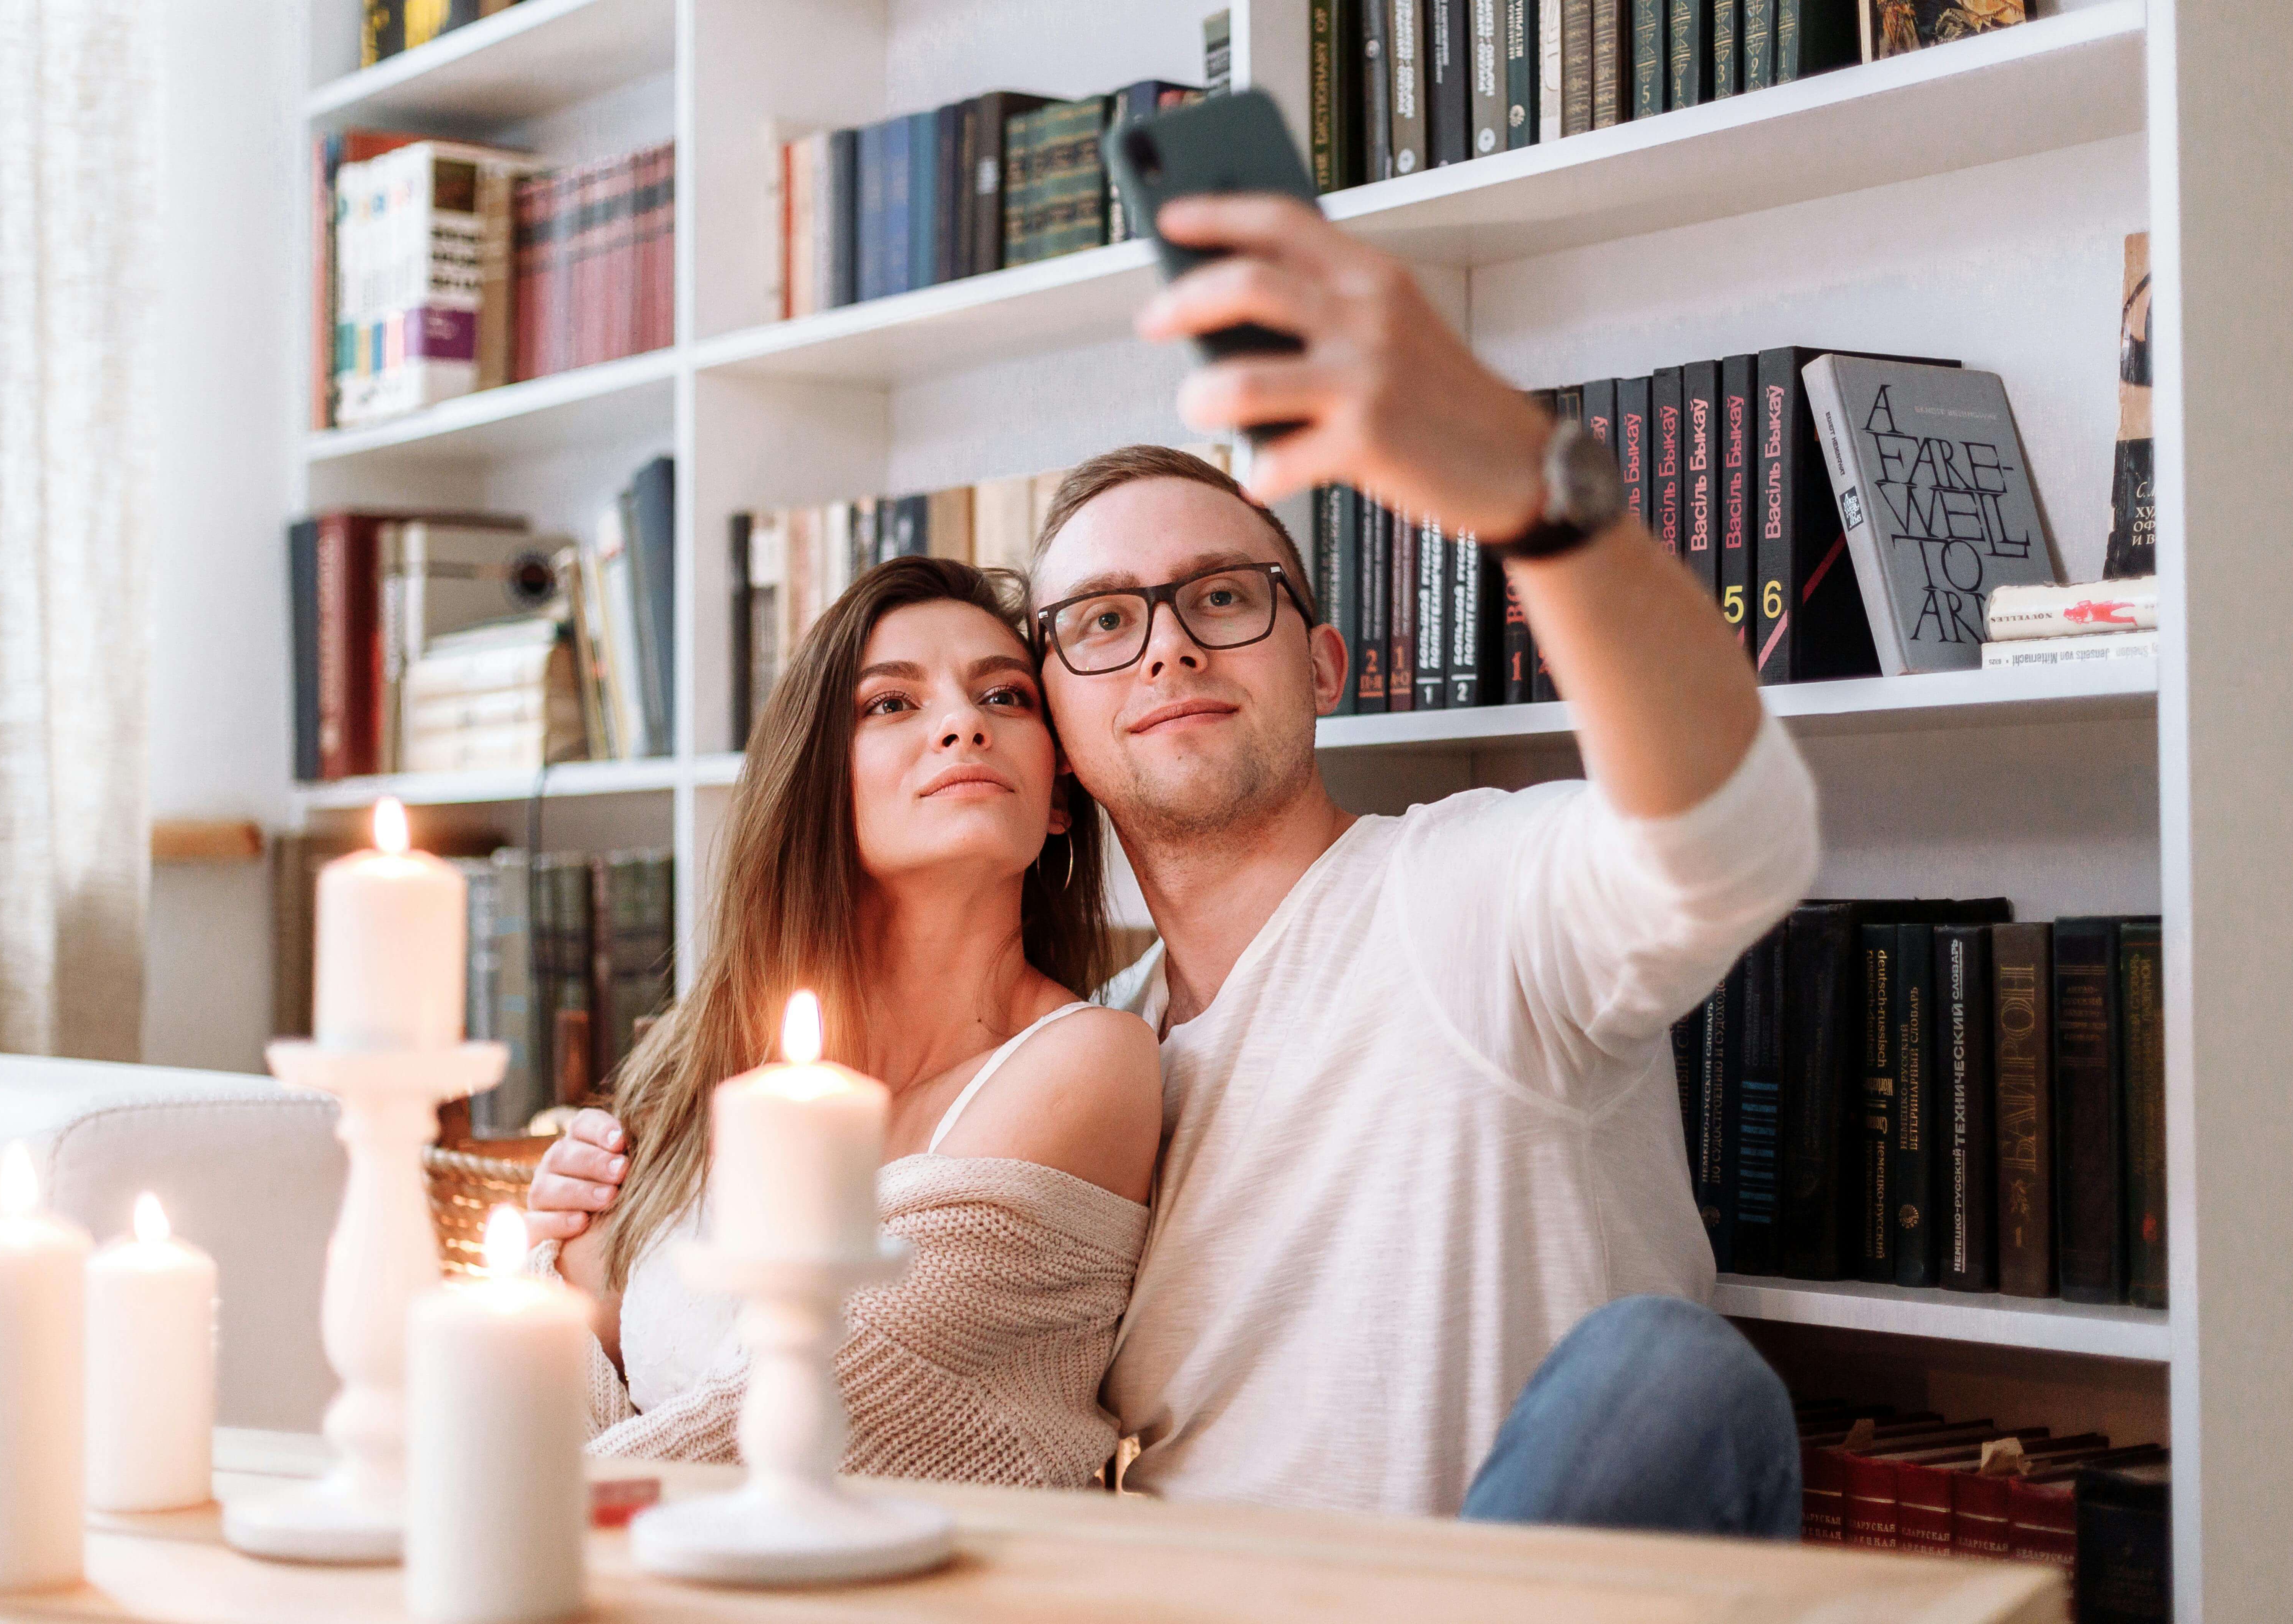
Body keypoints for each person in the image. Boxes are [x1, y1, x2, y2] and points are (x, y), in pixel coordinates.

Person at [534, 196, 1816, 1534]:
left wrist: (1528, 487)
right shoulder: (1105, 1044)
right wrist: (610, 1243)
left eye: (1220, 596)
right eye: (1097, 623)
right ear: (1062, 747)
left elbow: (1729, 841)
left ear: (1322, 667)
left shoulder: (1464, 897)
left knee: (1673, 1377)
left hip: (1491, 1584)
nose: (1164, 649)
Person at [536, 556, 1163, 1489]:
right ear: (818, 782)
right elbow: (555, 1367)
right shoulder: (696, 1066)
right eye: (889, 705)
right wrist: (546, 1271)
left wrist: (505, 1498)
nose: (964, 723)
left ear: (1060, 794)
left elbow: (812, 1430)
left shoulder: (1089, 1062)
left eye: (1005, 696)